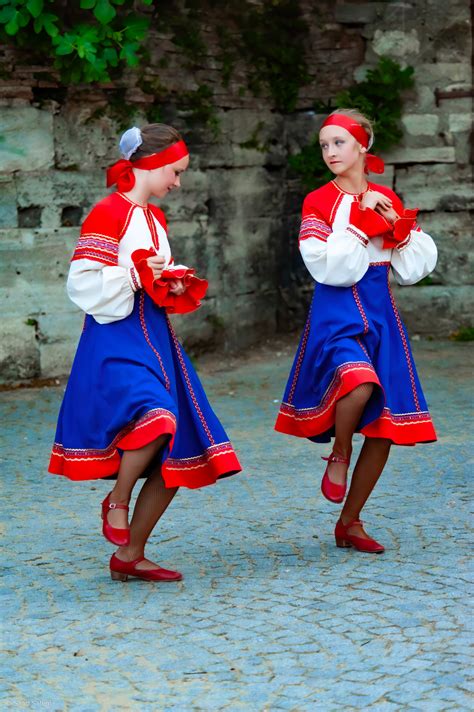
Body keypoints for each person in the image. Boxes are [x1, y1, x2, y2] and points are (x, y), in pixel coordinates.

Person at [49, 124, 241, 581]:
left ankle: (130, 556)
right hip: (114, 337)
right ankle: (116, 499)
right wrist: (135, 275)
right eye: (174, 172)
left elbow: (147, 274)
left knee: (176, 451)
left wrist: (170, 280)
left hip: (156, 337)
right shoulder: (107, 212)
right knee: (158, 418)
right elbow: (82, 285)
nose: (178, 182)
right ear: (151, 164)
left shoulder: (155, 219)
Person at [275, 109, 437, 553]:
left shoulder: (386, 195)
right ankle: (340, 452)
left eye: (338, 143)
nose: (330, 152)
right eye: (324, 145)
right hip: (338, 309)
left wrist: (397, 230)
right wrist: (358, 223)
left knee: (385, 427)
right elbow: (329, 268)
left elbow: (413, 267)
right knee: (358, 383)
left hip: (381, 310)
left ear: (362, 146)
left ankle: (350, 522)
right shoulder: (317, 201)